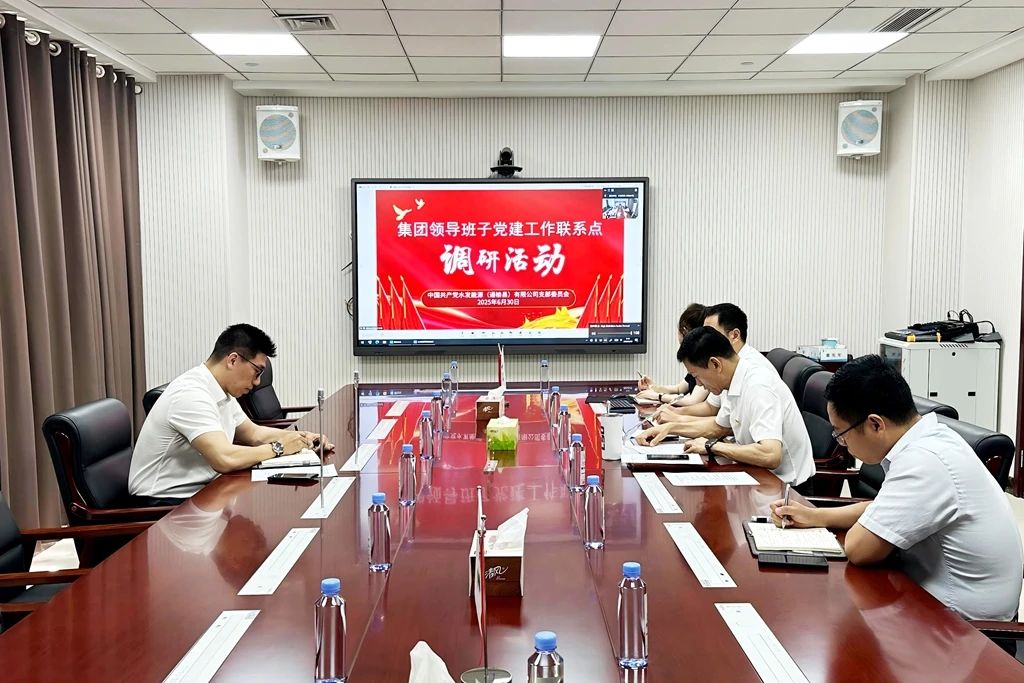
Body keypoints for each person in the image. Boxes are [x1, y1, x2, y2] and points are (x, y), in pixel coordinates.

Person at [770, 355, 1022, 621]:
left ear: (875, 424)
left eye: (841, 434)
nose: (842, 444)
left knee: (816, 613)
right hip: (928, 599)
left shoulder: (925, 462)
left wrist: (833, 524)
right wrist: (815, 516)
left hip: (961, 627)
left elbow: (859, 549)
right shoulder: (933, 438)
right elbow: (883, 507)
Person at [129, 324, 334, 504]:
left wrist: (303, 438)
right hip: (164, 505)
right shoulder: (191, 394)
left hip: (204, 493)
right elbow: (224, 458)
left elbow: (253, 434)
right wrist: (279, 448)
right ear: (233, 360)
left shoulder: (220, 390)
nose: (257, 382)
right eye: (257, 372)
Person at [645, 326, 814, 487]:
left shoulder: (758, 386)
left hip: (787, 487)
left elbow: (770, 454)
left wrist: (712, 446)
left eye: (696, 376)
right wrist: (670, 428)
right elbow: (718, 427)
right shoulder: (732, 381)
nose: (699, 384)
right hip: (759, 475)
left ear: (715, 364)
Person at [636, 303, 709, 407]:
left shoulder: (705, 361)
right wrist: (653, 387)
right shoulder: (694, 357)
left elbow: (692, 401)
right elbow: (679, 389)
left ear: (684, 330)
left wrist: (657, 396)